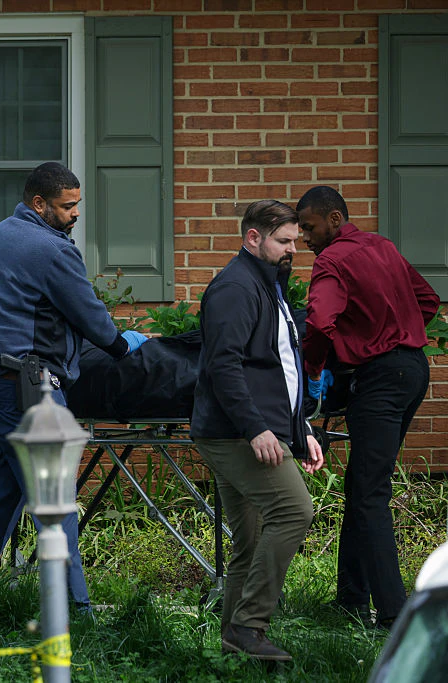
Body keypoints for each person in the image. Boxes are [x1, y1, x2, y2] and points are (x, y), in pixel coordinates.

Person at [0, 162, 147, 610]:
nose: (75, 214)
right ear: (39, 204)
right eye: (67, 206)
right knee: (55, 496)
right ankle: (74, 609)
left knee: (2, 494)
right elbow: (91, 317)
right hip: (33, 385)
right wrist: (123, 345)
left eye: (77, 205)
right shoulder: (52, 248)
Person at [296, 186, 439, 630]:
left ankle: (394, 614)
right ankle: (351, 599)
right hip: (413, 371)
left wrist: (314, 366)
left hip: (378, 380)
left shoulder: (332, 260)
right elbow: (429, 300)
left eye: (310, 227)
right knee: (363, 487)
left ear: (335, 220)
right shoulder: (382, 246)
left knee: (370, 494)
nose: (305, 237)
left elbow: (319, 321)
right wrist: (394, 330)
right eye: (300, 229)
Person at [192, 199, 326, 662]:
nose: (294, 249)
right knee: (294, 511)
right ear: (254, 238)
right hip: (235, 433)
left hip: (255, 428)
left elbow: (279, 368)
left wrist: (299, 427)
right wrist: (256, 429)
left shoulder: (269, 285)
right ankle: (249, 627)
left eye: (294, 240)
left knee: (248, 543)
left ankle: (233, 648)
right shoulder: (235, 288)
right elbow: (223, 367)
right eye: (284, 241)